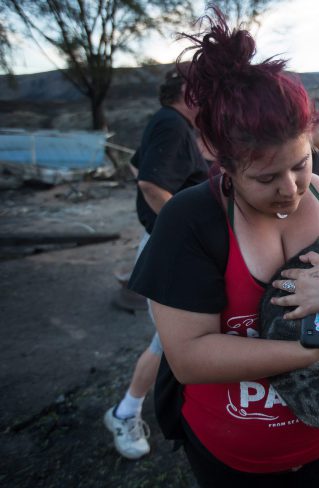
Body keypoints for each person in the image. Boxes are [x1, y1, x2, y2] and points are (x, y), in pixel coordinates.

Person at [128, 9, 319, 487]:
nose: (291, 189)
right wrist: (312, 350)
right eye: (266, 177)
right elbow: (189, 358)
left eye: (301, 163)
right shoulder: (190, 222)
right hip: (232, 461)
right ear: (218, 156)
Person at [104, 66, 210, 460]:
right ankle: (125, 412)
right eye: (202, 89)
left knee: (171, 339)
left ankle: (143, 409)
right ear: (187, 92)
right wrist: (184, 231)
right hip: (170, 247)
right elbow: (150, 183)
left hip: (165, 243)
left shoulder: (168, 124)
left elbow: (137, 166)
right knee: (170, 339)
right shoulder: (173, 126)